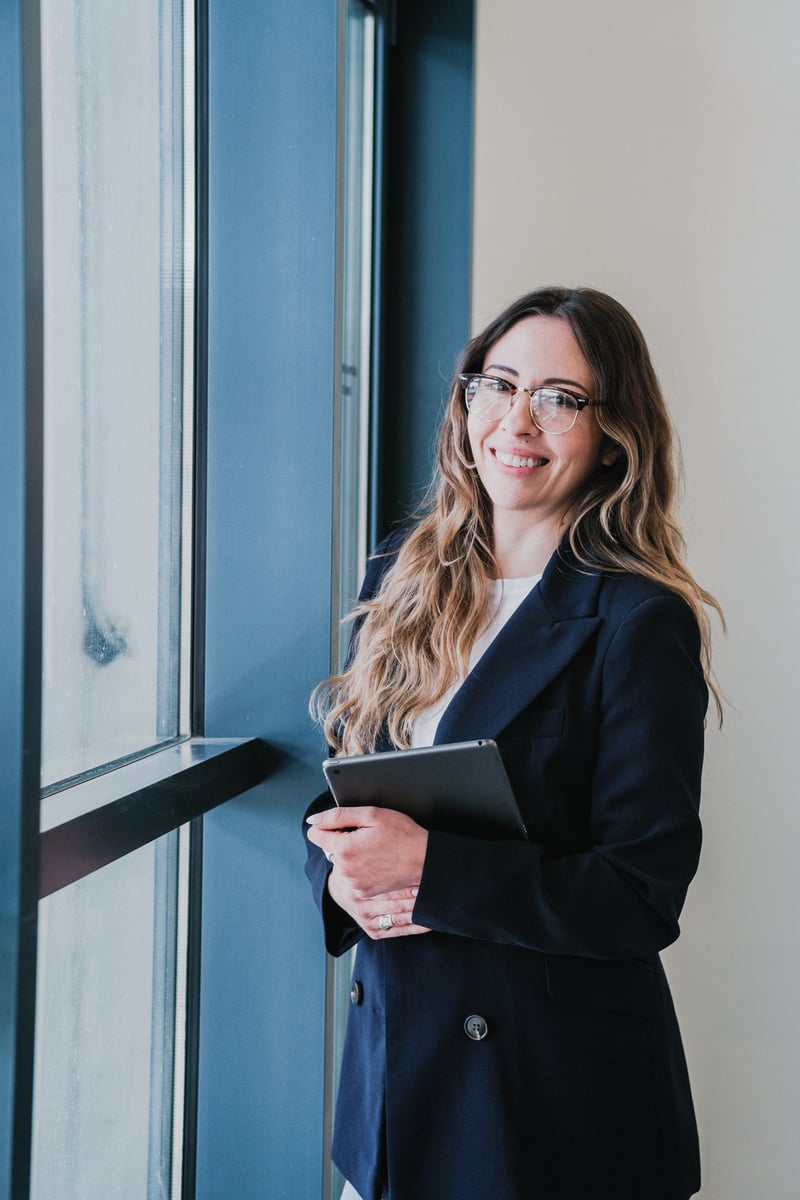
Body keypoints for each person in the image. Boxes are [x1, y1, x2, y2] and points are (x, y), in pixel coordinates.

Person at [303, 285, 722, 1200]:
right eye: (498, 384)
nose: (517, 419)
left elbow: (641, 894)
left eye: (561, 398)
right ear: (466, 400)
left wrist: (432, 872)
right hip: (392, 1083)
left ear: (615, 431)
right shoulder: (402, 569)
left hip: (545, 1103)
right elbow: (347, 784)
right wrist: (339, 871)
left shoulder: (637, 620)